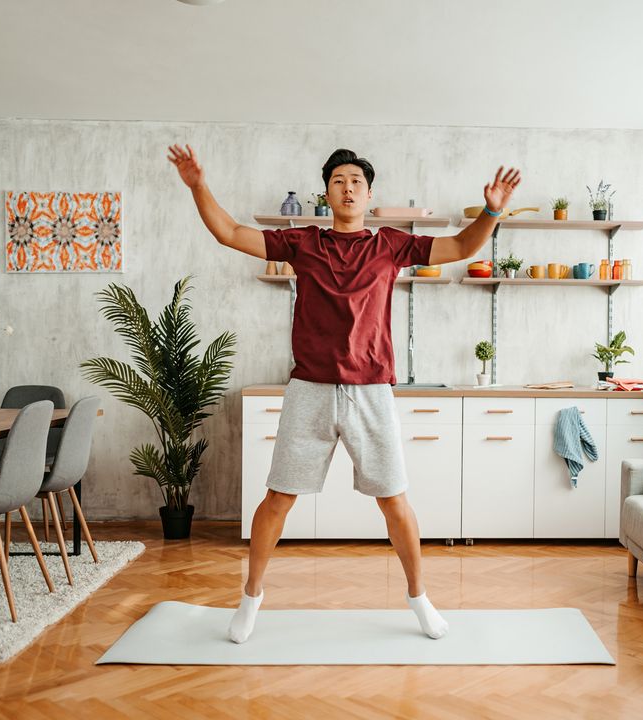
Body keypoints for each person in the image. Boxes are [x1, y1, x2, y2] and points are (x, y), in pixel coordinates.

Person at [168, 144, 521, 643]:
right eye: (338, 181)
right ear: (327, 192)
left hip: (372, 391)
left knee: (395, 501)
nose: (348, 187)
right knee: (278, 498)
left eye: (356, 180)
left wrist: (491, 209)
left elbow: (462, 249)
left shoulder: (391, 245)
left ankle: (419, 598)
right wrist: (198, 185)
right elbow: (229, 233)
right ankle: (251, 598)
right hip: (310, 388)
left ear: (369, 194)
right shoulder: (303, 242)